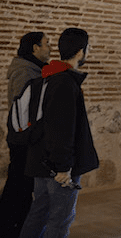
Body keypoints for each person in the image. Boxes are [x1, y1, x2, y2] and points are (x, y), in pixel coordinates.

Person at [19, 27, 99, 237]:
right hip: (57, 167)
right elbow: (61, 128)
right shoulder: (64, 82)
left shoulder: (47, 77)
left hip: (40, 160)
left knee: (39, 213)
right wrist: (63, 168)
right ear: (81, 51)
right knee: (60, 218)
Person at [0, 32, 52, 238]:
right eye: (46, 44)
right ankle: (10, 227)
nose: (49, 48)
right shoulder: (26, 71)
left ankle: (14, 225)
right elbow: (22, 110)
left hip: (24, 137)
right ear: (35, 48)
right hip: (23, 138)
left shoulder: (32, 69)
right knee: (19, 184)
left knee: (20, 183)